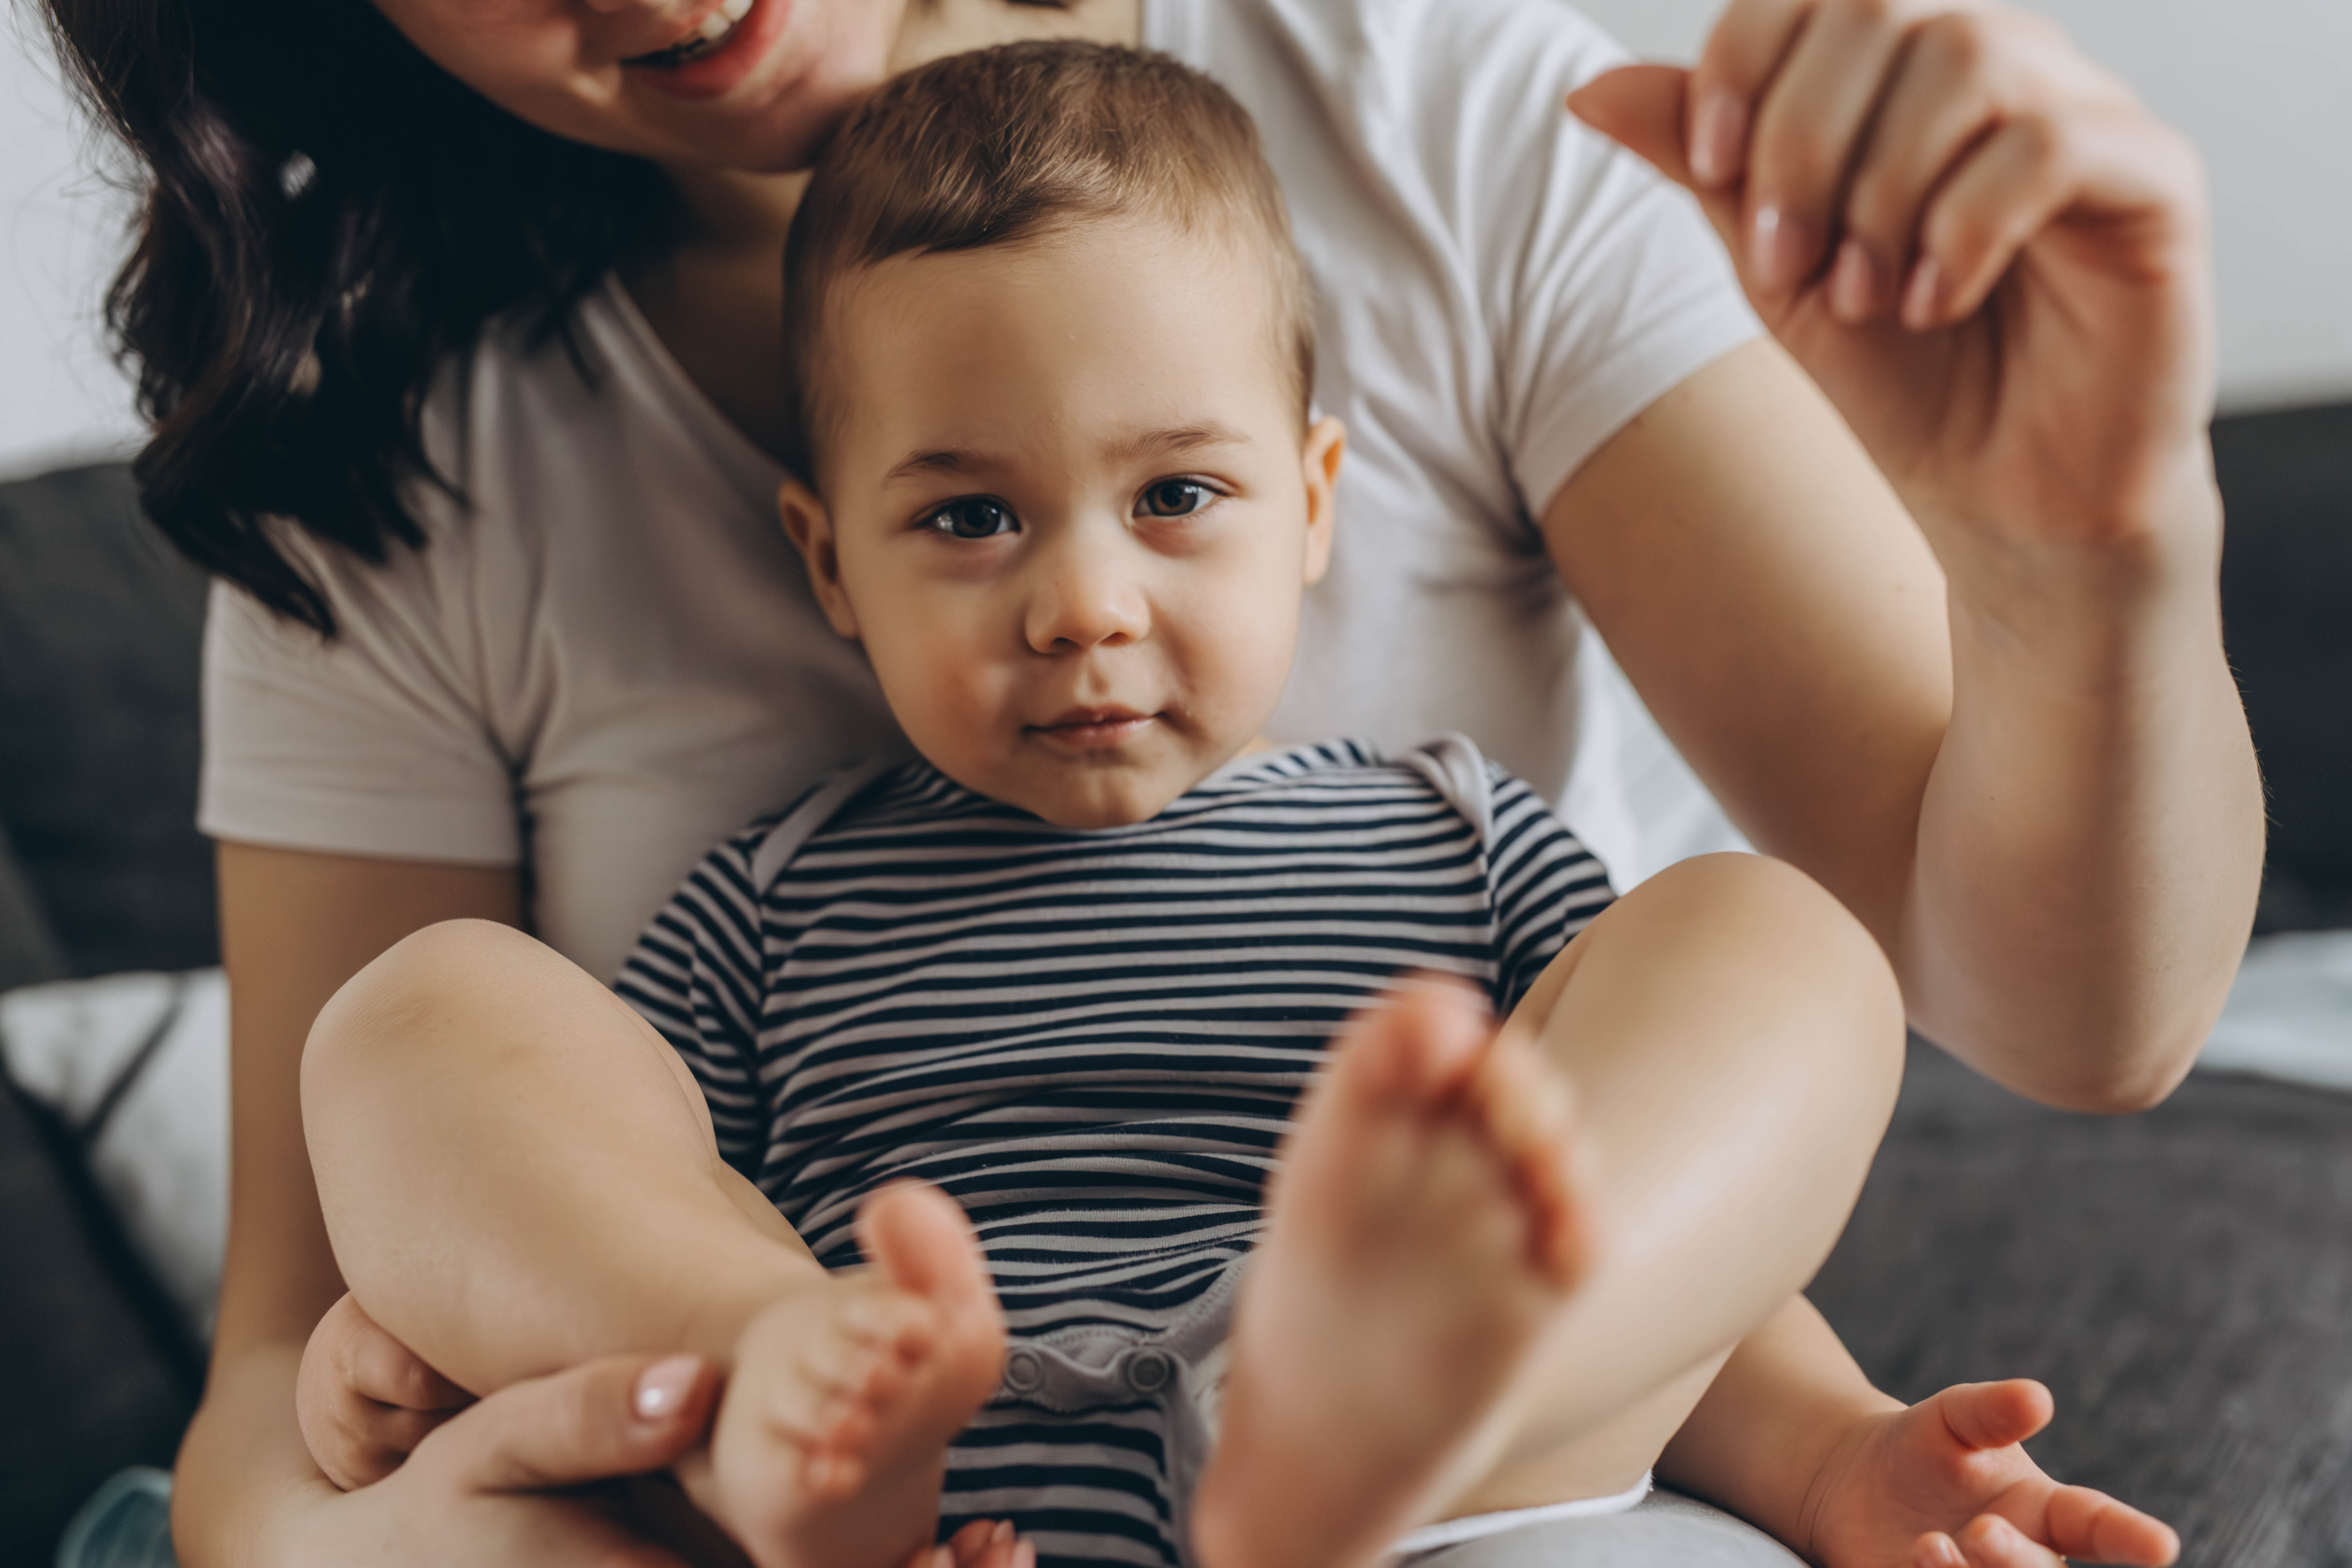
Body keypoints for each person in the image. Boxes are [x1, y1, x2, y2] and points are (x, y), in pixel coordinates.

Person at [36, 0, 2261, 1562]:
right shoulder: (458, 515)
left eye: (1175, 498)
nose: (1082, 609)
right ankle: (800, 1395)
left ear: (1321, 489)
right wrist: (436, 1416)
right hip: (847, 1433)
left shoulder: (1448, 157)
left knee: (1772, 945)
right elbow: (343, 1319)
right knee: (419, 1013)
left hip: (1430, 1446)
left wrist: (2088, 554)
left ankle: (1403, 1431)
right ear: (819, 550)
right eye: (968, 518)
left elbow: (1993, 1042)